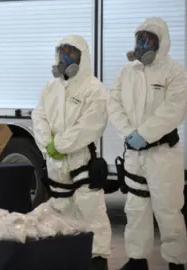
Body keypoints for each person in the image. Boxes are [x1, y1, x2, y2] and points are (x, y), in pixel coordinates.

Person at [107, 17, 187, 270]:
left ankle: (176, 262)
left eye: (149, 39)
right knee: (136, 208)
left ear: (161, 43)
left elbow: (174, 109)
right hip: (134, 154)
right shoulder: (127, 72)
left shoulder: (174, 72)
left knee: (168, 210)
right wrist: (129, 133)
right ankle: (137, 259)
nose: (143, 44)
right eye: (139, 39)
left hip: (163, 154)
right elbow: (114, 103)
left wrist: (146, 133)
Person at [32, 35, 111, 270]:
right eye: (62, 52)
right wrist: (47, 143)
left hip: (81, 161)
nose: (66, 58)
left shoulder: (94, 89)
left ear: (82, 57)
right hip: (56, 163)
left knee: (91, 212)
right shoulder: (51, 88)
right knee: (59, 210)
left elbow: (91, 124)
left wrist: (61, 145)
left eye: (71, 53)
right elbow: (39, 116)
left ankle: (97, 261)